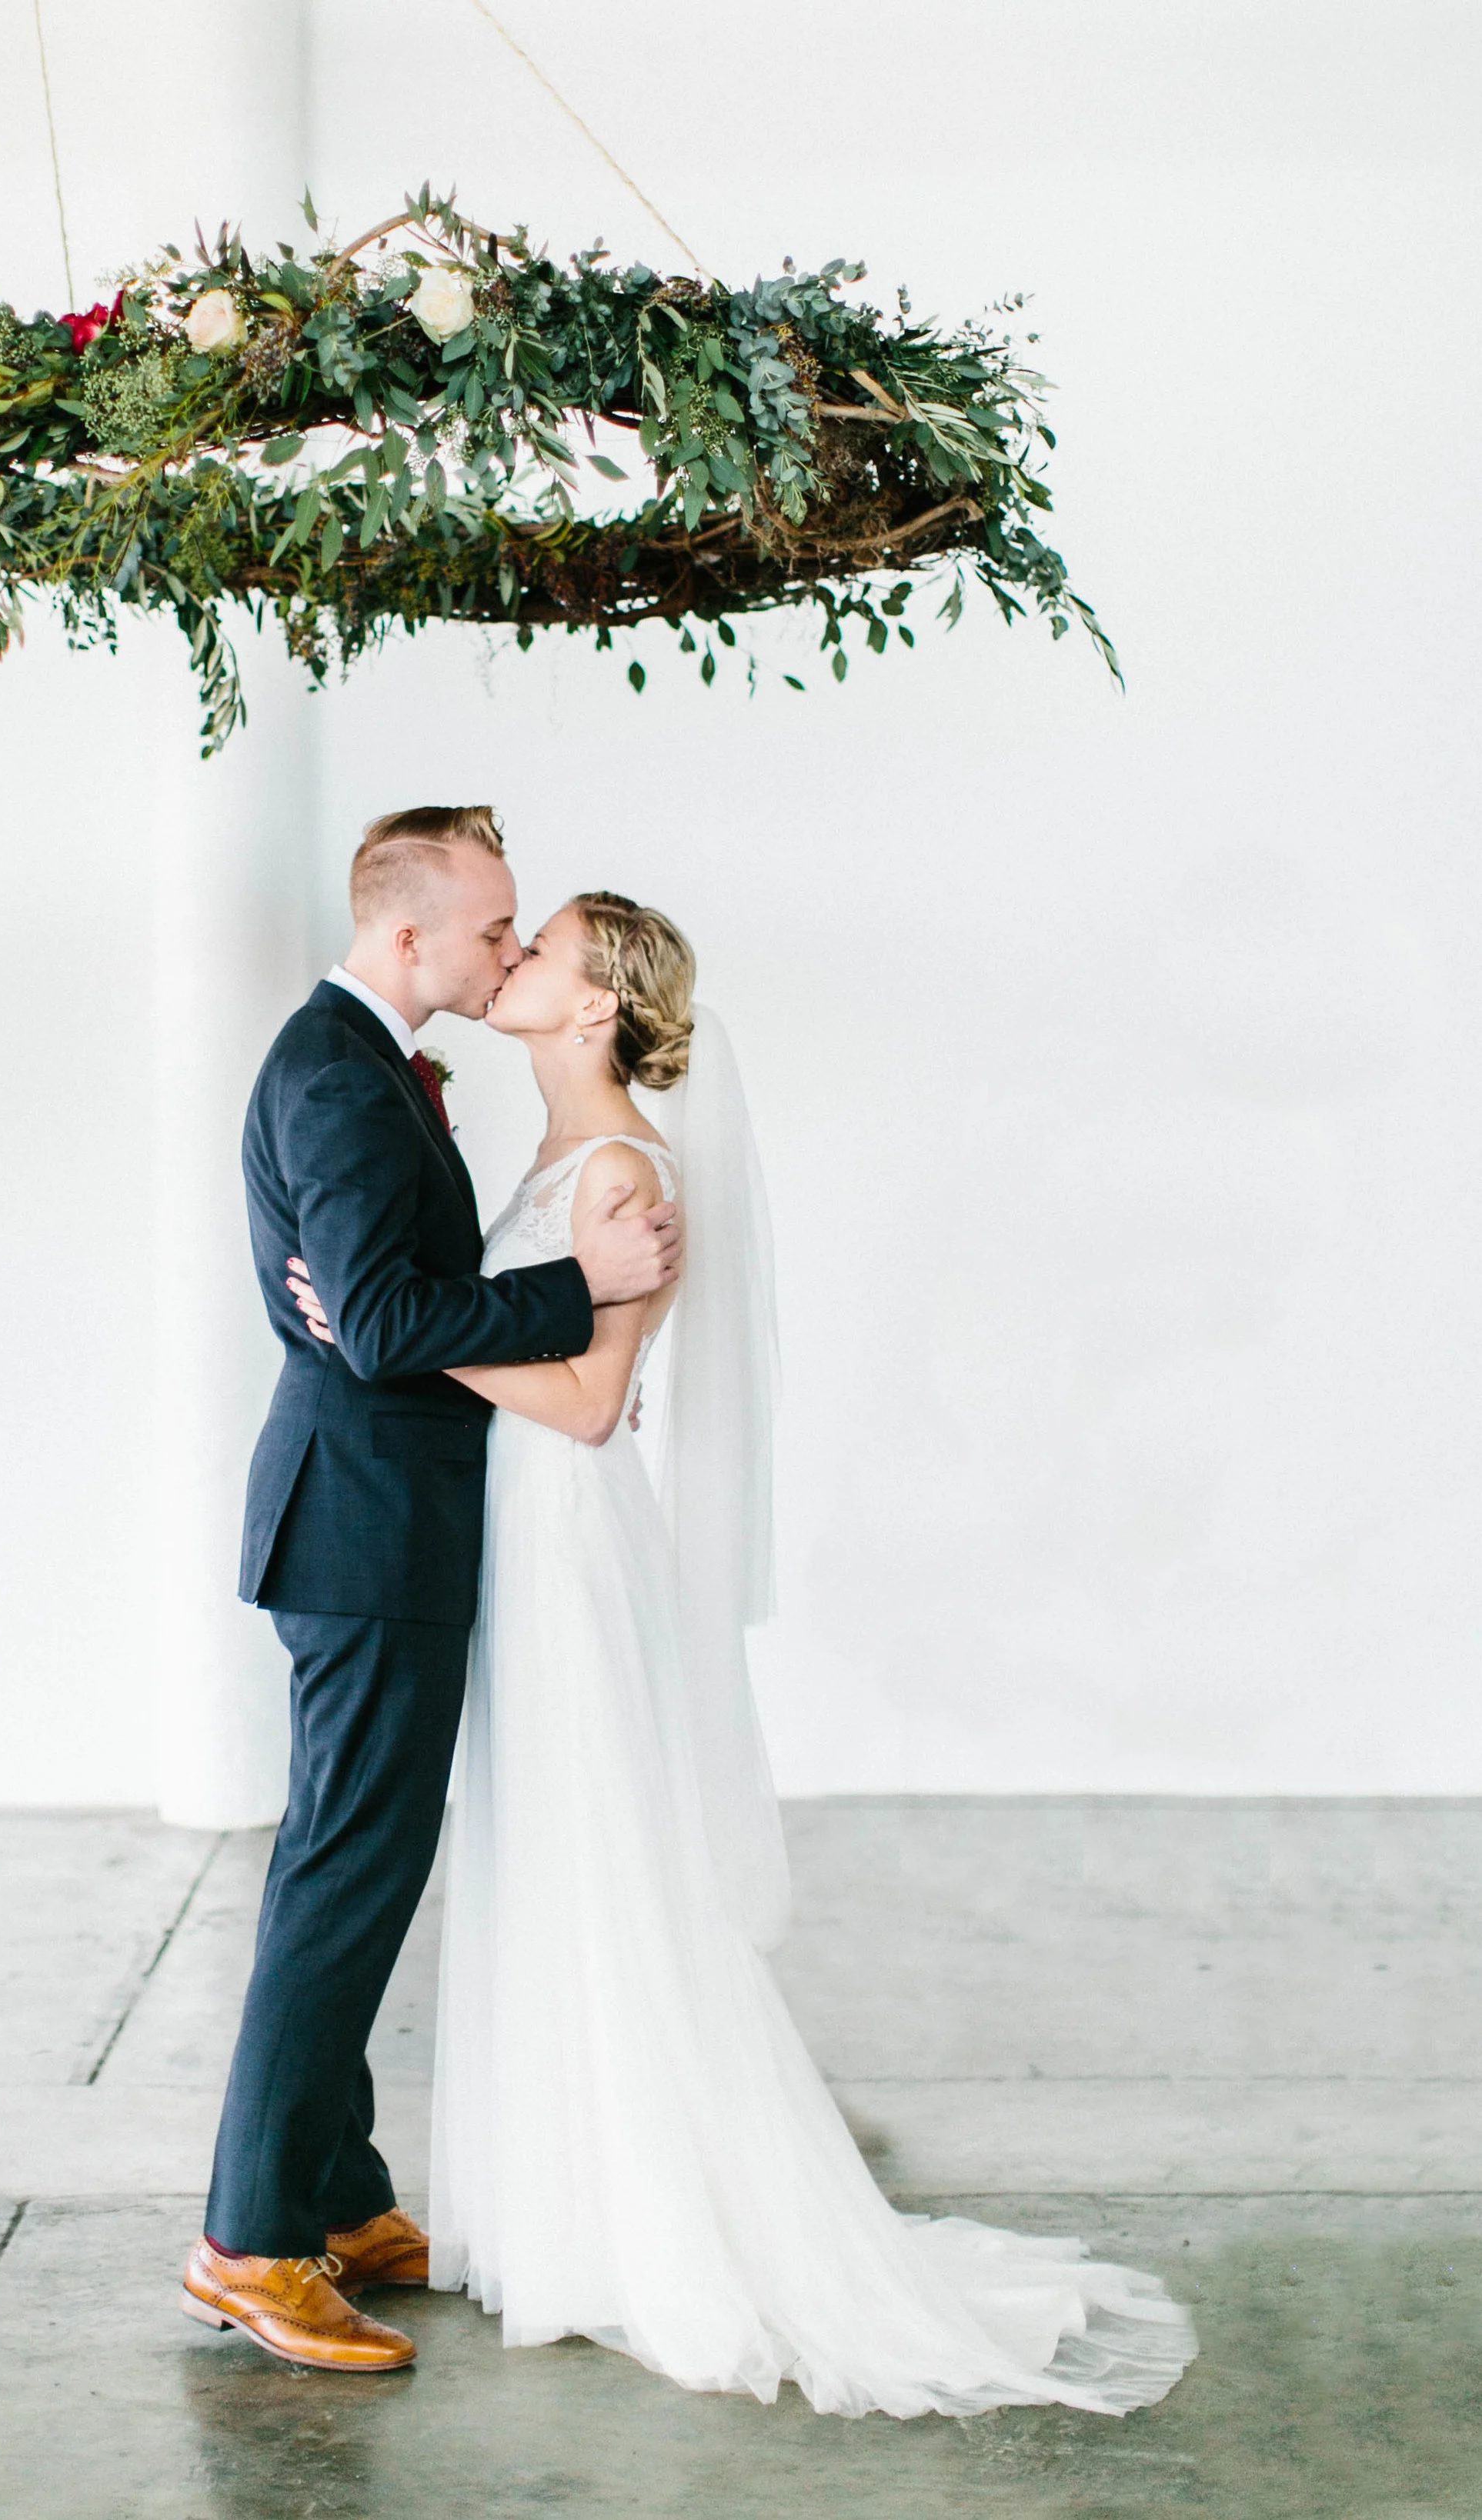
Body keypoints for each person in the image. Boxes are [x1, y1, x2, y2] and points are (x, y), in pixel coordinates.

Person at [279, 884, 1200, 2417]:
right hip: (511, 1543)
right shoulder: (558, 1155)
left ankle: (643, 2223)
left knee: (597, 1859)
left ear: (589, 1006)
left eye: (540, 947)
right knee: (542, 1859)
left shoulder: (623, 1172)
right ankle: (565, 2208)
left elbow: (581, 1403)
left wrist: (388, 1333)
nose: (508, 958)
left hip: (564, 1554)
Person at [180, 807, 679, 2373]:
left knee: (345, 1874)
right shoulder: (337, 1076)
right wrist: (577, 1289)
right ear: (406, 938)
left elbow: (383, 1314)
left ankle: (333, 2193)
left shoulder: (363, 1061)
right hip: (366, 1532)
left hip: (378, 1526)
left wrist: (457, 1312)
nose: (500, 950)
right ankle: (250, 2245)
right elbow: (386, 1327)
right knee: (342, 1883)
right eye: (487, 928)